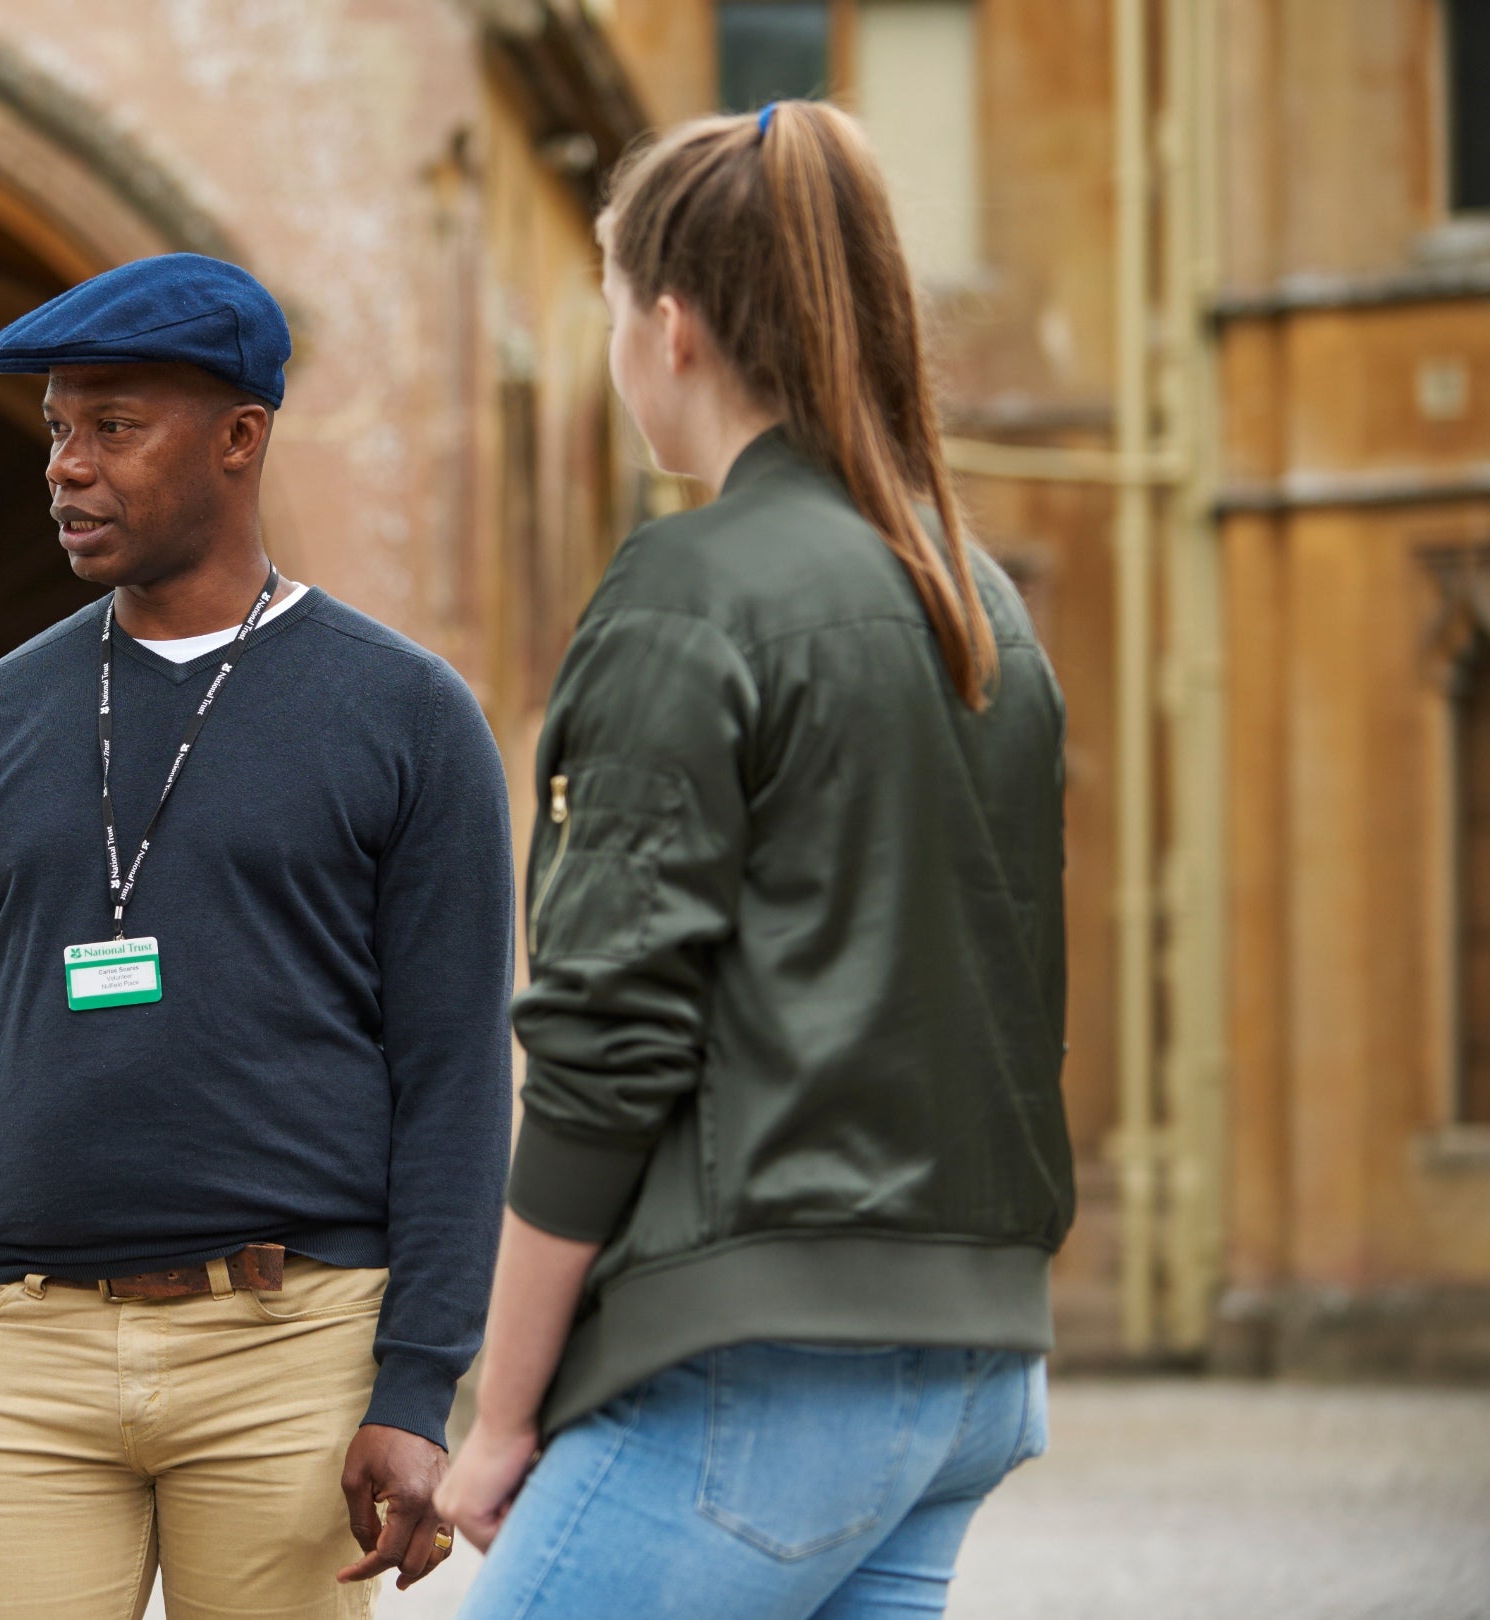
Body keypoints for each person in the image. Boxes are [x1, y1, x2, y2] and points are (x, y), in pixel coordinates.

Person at [0, 254, 516, 1618]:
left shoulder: (408, 718)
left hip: (293, 1343)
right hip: (21, 1349)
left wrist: (418, 1388)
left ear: (242, 437)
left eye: (115, 427)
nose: (66, 466)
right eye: (58, 429)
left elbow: (459, 1079)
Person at [433, 100, 1073, 1618]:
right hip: (971, 1366)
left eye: (606, 313)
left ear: (669, 328)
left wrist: (503, 1413)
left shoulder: (690, 591)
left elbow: (601, 1042)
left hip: (752, 1368)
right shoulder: (978, 600)